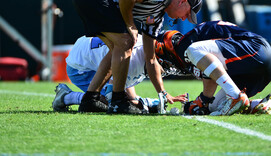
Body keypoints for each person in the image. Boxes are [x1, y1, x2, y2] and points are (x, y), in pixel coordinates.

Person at [72, 0, 201, 114]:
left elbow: (150, 59)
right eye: (188, 13)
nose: (184, 19)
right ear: (183, 2)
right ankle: (118, 100)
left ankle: (90, 99)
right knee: (126, 42)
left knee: (118, 48)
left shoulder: (156, 18)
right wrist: (130, 24)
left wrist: (163, 93)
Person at [155, 21, 271, 116]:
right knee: (215, 107)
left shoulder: (184, 45)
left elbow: (210, 73)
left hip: (256, 50)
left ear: (167, 49)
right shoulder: (191, 41)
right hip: (256, 68)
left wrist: (202, 99)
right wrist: (203, 103)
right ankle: (259, 104)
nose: (168, 66)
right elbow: (212, 70)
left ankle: (235, 96)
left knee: (193, 50)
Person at [52, 34, 186, 113]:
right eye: (168, 64)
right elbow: (113, 97)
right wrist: (151, 104)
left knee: (129, 98)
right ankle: (66, 97)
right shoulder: (133, 59)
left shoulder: (140, 52)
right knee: (109, 102)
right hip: (80, 68)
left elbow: (129, 90)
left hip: (89, 51)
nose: (169, 69)